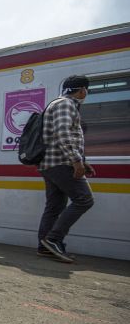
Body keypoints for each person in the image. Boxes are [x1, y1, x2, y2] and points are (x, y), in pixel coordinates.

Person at [37, 75, 95, 263]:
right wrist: (77, 161)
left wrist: (82, 162)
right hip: (61, 163)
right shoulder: (65, 104)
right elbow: (63, 133)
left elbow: (59, 136)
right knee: (84, 199)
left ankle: (44, 247)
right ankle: (53, 239)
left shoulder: (58, 103)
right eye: (86, 90)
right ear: (82, 90)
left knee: (54, 206)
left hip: (51, 163)